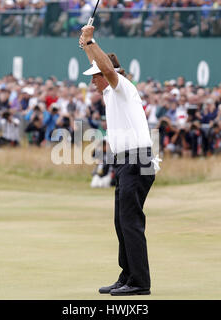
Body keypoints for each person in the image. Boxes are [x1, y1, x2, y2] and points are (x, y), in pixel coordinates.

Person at [80, 25, 156, 296]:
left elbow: (108, 70)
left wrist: (91, 40)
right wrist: (87, 46)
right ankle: (128, 275)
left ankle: (140, 283)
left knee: (131, 222)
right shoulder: (110, 92)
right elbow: (101, 65)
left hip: (137, 159)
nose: (92, 82)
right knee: (121, 222)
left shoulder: (121, 85)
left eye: (94, 77)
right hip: (126, 161)